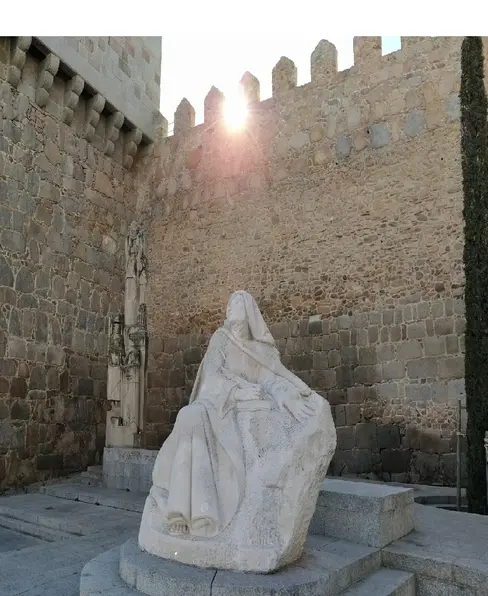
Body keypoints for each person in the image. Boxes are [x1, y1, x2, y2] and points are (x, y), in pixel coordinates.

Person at [149, 290, 319, 538]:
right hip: (215, 404)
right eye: (229, 304)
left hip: (233, 415)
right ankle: (179, 512)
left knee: (198, 423)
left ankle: (204, 515)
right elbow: (211, 375)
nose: (230, 307)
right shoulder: (221, 339)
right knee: (188, 416)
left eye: (237, 303)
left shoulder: (262, 351)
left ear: (249, 311)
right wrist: (237, 393)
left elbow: (272, 380)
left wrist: (287, 397)